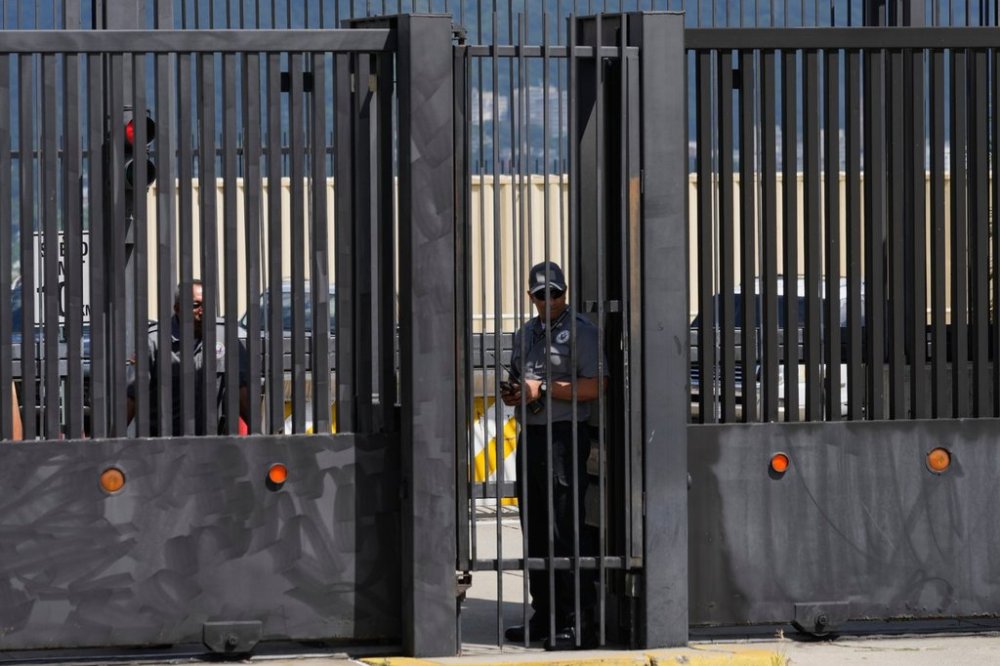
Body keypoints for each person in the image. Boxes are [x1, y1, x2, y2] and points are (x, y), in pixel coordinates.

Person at [501, 260, 605, 650]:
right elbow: (519, 379)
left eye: (555, 294)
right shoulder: (525, 333)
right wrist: (516, 392)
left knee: (565, 526)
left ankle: (578, 622)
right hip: (532, 434)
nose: (549, 301)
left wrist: (541, 389)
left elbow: (596, 386)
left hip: (564, 436)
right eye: (541, 295)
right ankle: (544, 616)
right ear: (530, 297)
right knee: (535, 524)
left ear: (566, 293)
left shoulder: (581, 332)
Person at [127, 279, 250, 436]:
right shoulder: (154, 342)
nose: (203, 310)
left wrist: (260, 436)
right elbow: (132, 396)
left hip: (213, 443)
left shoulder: (225, 336)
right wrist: (113, 444)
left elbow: (242, 391)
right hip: (165, 445)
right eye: (196, 305)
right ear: (177, 308)